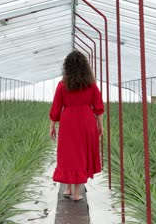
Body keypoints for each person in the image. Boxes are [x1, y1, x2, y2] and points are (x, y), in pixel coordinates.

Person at [49, 50, 104, 201]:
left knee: (68, 153)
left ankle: (67, 188)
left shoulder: (62, 85)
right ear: (85, 67)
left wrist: (52, 125)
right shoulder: (91, 85)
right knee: (81, 154)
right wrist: (100, 125)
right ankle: (77, 193)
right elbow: (98, 106)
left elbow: (56, 107)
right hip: (86, 121)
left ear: (67, 67)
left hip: (68, 122)